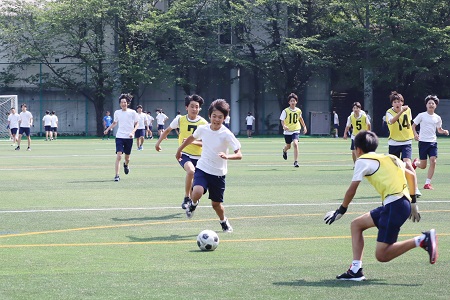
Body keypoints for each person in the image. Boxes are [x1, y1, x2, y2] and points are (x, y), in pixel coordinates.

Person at [324, 130, 437, 281]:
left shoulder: (362, 160)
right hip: (397, 204)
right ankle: (355, 270)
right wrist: (413, 202)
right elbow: (411, 174)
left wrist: (341, 210)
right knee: (356, 225)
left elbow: (352, 189)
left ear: (357, 149)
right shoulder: (389, 157)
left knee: (382, 255)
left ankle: (422, 240)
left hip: (394, 206)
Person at [176, 99, 242, 233]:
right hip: (203, 168)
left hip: (218, 174)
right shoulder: (203, 129)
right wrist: (179, 150)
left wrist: (227, 156)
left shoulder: (226, 134)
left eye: (220, 117)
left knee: (216, 205)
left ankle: (224, 222)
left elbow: (239, 154)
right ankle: (193, 204)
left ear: (225, 118)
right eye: (214, 116)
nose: (217, 119)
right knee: (197, 191)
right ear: (209, 116)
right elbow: (191, 138)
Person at [155, 95, 207, 209]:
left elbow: (206, 143)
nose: (194, 109)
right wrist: (158, 143)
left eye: (197, 107)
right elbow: (167, 130)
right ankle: (186, 198)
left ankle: (193, 198)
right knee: (191, 171)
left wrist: (192, 142)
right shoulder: (180, 119)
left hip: (200, 157)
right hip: (184, 154)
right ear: (186, 107)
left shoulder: (204, 123)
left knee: (199, 188)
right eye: (192, 106)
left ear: (199, 109)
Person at [386, 91, 421, 196]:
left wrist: (415, 134)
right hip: (394, 142)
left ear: (402, 102)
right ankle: (396, 188)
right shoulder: (389, 112)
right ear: (392, 104)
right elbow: (392, 121)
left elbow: (409, 124)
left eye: (399, 101)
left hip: (406, 141)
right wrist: (401, 111)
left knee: (408, 163)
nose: (397, 104)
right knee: (394, 167)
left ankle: (415, 188)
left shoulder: (408, 110)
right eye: (395, 102)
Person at [412, 95, 449, 190]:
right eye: (429, 103)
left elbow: (439, 130)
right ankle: (416, 163)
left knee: (433, 161)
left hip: (433, 142)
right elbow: (413, 126)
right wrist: (415, 134)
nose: (431, 105)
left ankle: (427, 183)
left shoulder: (437, 118)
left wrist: (444, 131)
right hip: (423, 142)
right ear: (426, 105)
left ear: (435, 105)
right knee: (423, 166)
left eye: (433, 103)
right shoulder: (421, 115)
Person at [103, 94, 139, 182]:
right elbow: (115, 123)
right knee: (119, 156)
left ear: (128, 103)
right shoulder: (117, 112)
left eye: (125, 102)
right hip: (119, 136)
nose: (123, 104)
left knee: (127, 158)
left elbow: (137, 123)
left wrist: (132, 132)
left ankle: (126, 165)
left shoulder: (132, 112)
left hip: (129, 137)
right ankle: (117, 175)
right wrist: (107, 129)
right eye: (122, 102)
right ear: (120, 104)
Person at [280, 93, 307, 168]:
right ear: (289, 102)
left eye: (294, 101)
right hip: (287, 131)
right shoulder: (285, 111)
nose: (292, 102)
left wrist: (304, 127)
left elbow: (300, 119)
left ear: (296, 102)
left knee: (295, 144)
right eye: (291, 101)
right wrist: (284, 126)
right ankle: (284, 150)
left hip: (296, 130)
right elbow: (282, 120)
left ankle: (296, 161)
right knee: (288, 146)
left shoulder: (298, 111)